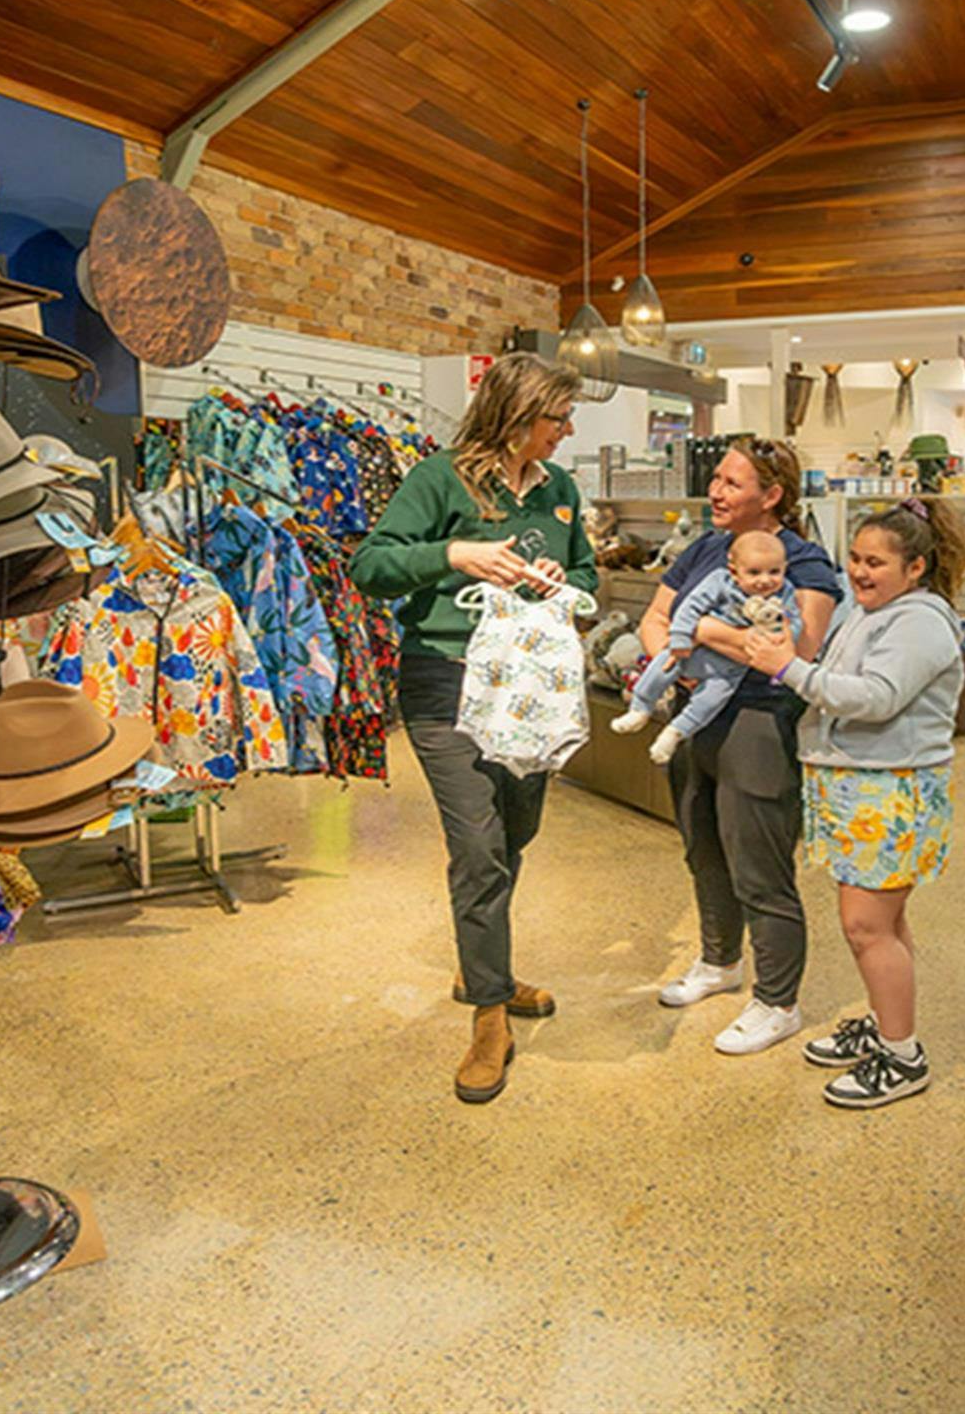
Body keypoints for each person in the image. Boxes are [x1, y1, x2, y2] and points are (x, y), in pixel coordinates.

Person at [351, 354, 597, 1105]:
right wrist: (455, 554)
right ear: (517, 417)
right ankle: (490, 1016)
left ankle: (480, 962)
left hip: (531, 689)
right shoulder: (440, 479)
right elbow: (371, 566)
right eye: (558, 418)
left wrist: (565, 586)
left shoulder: (560, 490)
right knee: (479, 843)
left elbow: (585, 572)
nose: (568, 429)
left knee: (515, 834)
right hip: (447, 683)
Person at [747, 498, 965, 1109]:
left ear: (917, 567)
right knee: (884, 923)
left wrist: (790, 669)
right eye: (855, 558)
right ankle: (887, 1024)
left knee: (866, 925)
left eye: (876, 563)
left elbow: (876, 696)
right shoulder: (877, 613)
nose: (860, 572)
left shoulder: (920, 620)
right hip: (860, 788)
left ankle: (902, 1055)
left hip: (888, 792)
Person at [635, 438, 841, 1055]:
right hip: (693, 716)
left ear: (771, 496)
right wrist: (679, 653)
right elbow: (652, 620)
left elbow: (792, 652)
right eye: (717, 480)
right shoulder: (704, 549)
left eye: (730, 483)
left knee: (760, 862)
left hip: (758, 720)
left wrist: (694, 631)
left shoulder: (803, 564)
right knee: (702, 846)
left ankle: (778, 1001)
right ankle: (720, 961)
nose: (715, 492)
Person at [610, 529, 799, 765]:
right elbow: (691, 606)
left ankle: (675, 732)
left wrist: (782, 638)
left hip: (729, 669)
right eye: (753, 572)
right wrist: (680, 638)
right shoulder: (720, 581)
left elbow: (793, 624)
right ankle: (641, 708)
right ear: (734, 570)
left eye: (775, 572)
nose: (764, 580)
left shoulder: (785, 592)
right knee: (662, 666)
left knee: (711, 700)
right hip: (692, 650)